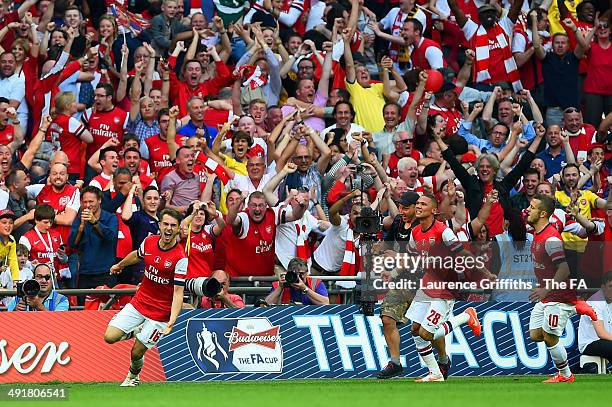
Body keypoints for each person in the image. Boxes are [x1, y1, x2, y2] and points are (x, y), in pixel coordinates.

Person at [405, 194, 492, 382]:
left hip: (445, 288)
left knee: (426, 333)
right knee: (415, 330)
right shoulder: (415, 232)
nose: (418, 206)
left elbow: (464, 252)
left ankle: (465, 316)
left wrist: (485, 272)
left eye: (423, 204)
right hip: (427, 284)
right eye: (417, 203)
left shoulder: (443, 231)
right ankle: (435, 373)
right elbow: (413, 258)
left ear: (433, 210)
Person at [105, 209, 187, 387]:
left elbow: (178, 292)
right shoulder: (149, 242)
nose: (168, 228)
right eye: (165, 224)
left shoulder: (180, 258)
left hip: (160, 314)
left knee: (136, 353)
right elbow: (137, 255)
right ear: (159, 225)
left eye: (173, 225)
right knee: (109, 337)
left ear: (178, 229)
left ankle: (133, 376)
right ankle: (137, 330)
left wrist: (172, 321)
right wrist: (119, 265)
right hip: (139, 303)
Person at [68, 186, 118, 303]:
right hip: (85, 274)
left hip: (106, 272)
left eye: (91, 201)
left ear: (99, 200)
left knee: (107, 310)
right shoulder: (79, 219)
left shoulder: (111, 218)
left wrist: (94, 222)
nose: (88, 205)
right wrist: (81, 227)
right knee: (83, 311)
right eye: (84, 202)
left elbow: (110, 237)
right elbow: (72, 244)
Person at [0, 208, 19, 283]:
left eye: (11, 223)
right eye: (4, 222)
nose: (8, 226)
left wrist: (16, 281)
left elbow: (13, 261)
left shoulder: (12, 240)